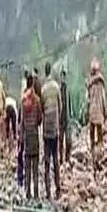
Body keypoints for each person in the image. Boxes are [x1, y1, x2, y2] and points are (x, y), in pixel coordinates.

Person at [39, 63, 63, 198]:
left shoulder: (43, 89)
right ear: (52, 72)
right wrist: (57, 120)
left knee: (47, 161)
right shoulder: (56, 87)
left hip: (46, 130)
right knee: (56, 160)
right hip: (55, 129)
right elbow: (60, 105)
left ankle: (48, 192)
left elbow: (42, 108)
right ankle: (58, 190)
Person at [20, 72, 42, 199]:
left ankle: (27, 192)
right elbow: (40, 119)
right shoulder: (37, 100)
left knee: (27, 166)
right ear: (32, 83)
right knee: (35, 167)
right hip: (34, 135)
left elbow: (21, 121)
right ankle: (36, 193)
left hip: (26, 137)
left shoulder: (23, 101)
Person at [86, 60, 107, 172]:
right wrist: (106, 113)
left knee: (92, 138)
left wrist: (86, 112)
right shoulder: (101, 83)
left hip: (91, 112)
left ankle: (93, 158)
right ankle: (97, 159)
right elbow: (103, 99)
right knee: (100, 139)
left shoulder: (89, 84)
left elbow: (87, 100)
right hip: (98, 113)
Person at [59, 67, 72, 165]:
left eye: (64, 76)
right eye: (62, 77)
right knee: (60, 140)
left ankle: (67, 158)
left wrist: (70, 116)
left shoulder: (68, 90)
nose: (63, 78)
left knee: (68, 140)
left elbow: (69, 103)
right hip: (60, 118)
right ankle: (61, 159)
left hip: (67, 118)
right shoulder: (59, 90)